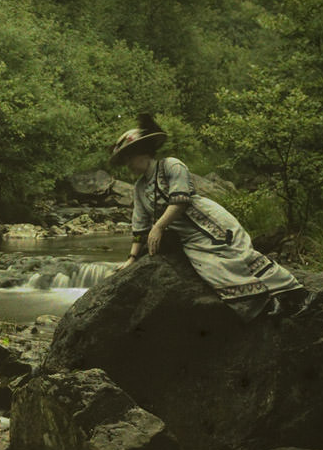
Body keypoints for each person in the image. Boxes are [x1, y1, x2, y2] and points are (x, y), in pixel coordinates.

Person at [111, 114, 309, 320]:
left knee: (238, 254)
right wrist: (132, 258)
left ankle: (296, 294)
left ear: (143, 153)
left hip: (210, 221)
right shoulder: (139, 187)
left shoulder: (171, 165)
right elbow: (140, 225)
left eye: (129, 158)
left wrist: (159, 226)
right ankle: (264, 302)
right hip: (189, 237)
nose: (128, 165)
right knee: (211, 269)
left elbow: (180, 201)